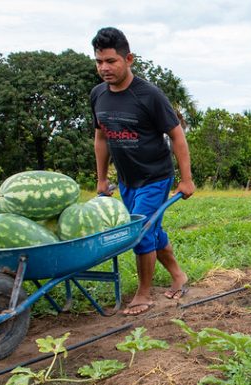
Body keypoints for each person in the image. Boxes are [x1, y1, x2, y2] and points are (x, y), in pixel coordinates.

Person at [90, 27, 195, 315]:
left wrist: (186, 179)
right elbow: (101, 139)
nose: (104, 68)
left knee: (141, 232)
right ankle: (178, 276)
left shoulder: (149, 95)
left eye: (111, 61)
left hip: (155, 177)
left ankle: (144, 293)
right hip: (127, 180)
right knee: (153, 229)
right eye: (99, 61)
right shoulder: (98, 95)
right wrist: (101, 178)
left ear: (129, 59)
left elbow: (177, 136)